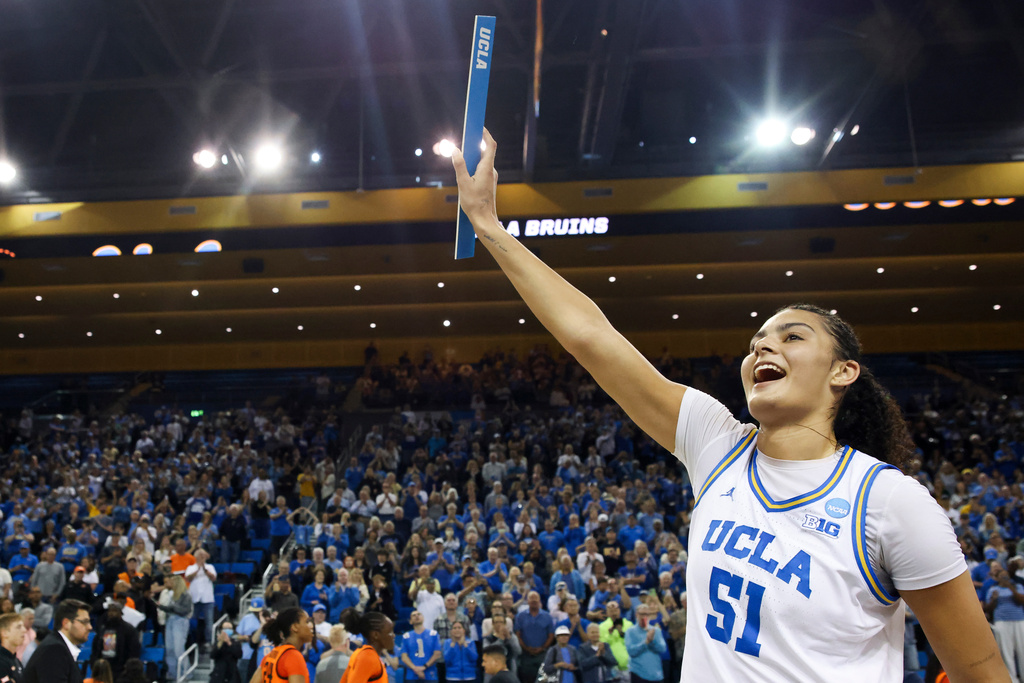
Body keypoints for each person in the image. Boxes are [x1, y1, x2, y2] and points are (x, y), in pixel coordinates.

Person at [451, 128, 1008, 681]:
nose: (763, 345)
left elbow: (980, 669)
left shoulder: (889, 502)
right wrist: (489, 226)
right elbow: (591, 336)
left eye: (791, 337)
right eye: (757, 341)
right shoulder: (718, 443)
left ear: (844, 372)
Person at [23, 599, 91, 683]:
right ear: (66, 623)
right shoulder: (54, 650)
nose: (89, 627)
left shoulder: (58, 646)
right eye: (84, 622)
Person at [248, 607, 314, 683]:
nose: (311, 625)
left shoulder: (269, 656)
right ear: (295, 627)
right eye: (307, 621)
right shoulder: (293, 656)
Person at [986, 565, 1024, 680]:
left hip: (1019, 620)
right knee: (1006, 652)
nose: (1005, 579)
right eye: (1002, 577)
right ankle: (1012, 679)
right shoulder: (993, 590)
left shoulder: (1017, 587)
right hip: (1002, 622)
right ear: (997, 578)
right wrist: (994, 599)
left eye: (1006, 576)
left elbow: (1021, 601)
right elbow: (988, 609)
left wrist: (1010, 588)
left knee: (1022, 650)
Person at [338, 608, 396, 683]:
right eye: (390, 631)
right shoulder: (367, 657)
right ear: (375, 635)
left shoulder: (363, 654)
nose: (393, 635)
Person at [89, 604, 141, 681]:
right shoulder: (103, 629)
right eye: (110, 611)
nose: (112, 613)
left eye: (115, 611)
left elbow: (134, 650)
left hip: (122, 670)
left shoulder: (129, 630)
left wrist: (127, 668)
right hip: (104, 669)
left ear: (120, 613)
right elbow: (95, 649)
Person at [157, 575, 192, 680]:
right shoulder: (171, 595)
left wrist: (172, 607)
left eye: (171, 582)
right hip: (170, 621)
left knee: (178, 649)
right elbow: (170, 609)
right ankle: (173, 673)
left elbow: (185, 611)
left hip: (180, 621)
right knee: (170, 649)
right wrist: (161, 606)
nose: (169, 584)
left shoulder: (186, 595)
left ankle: (187, 673)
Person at [514, 591, 554, 683]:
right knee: (526, 678)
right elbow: (518, 635)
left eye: (536, 598)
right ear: (527, 601)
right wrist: (527, 648)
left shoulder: (547, 616)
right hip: (526, 654)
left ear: (539, 600)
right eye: (531, 598)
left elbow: (551, 635)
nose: (534, 600)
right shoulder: (520, 616)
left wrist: (542, 648)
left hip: (543, 654)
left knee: (543, 679)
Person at [624, 604, 666, 683]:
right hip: (638, 674)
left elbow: (662, 649)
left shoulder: (655, 630)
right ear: (636, 615)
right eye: (642, 614)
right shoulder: (630, 631)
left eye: (647, 614)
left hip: (656, 674)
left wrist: (652, 641)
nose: (644, 617)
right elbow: (631, 652)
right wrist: (646, 642)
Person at [399, 610, 441, 681]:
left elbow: (437, 654)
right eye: (413, 615)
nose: (416, 616)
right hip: (412, 675)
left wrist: (424, 667)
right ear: (410, 621)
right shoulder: (406, 636)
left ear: (423, 618)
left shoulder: (433, 634)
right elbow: (404, 657)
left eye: (419, 614)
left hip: (430, 675)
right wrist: (415, 669)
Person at [0, 612, 26, 683]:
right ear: (4, 633)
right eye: (18, 627)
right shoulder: (2, 661)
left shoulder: (15, 660)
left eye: (23, 626)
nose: (24, 630)